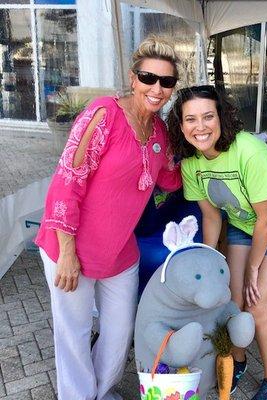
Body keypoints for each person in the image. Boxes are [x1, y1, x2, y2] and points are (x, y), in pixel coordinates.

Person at [34, 36, 181, 400]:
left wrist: (205, 154)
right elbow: (67, 182)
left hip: (120, 253)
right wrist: (66, 251)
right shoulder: (104, 114)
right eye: (149, 77)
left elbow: (168, 178)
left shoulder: (160, 130)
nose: (157, 88)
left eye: (166, 81)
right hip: (71, 248)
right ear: (133, 78)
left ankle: (100, 391)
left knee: (118, 333)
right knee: (75, 333)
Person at [167, 85, 267, 400]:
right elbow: (212, 217)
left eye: (207, 117)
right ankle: (239, 361)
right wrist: (207, 262)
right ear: (180, 125)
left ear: (222, 118)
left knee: (257, 307)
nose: (199, 127)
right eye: (190, 119)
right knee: (231, 305)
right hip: (243, 225)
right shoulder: (191, 162)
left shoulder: (248, 150)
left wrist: (254, 269)